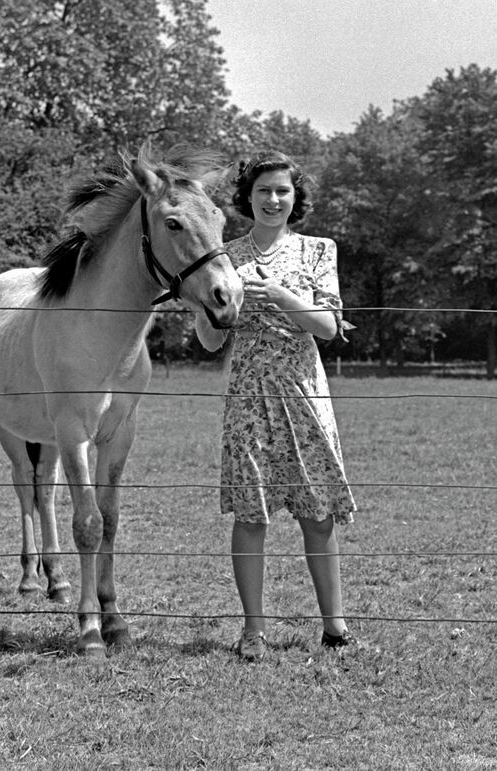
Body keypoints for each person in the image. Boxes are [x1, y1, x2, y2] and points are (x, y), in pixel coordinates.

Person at [196, 150, 357, 662]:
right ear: (247, 197)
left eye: (282, 190)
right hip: (248, 397)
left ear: (295, 197)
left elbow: (330, 329)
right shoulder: (223, 254)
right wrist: (209, 307)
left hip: (305, 395)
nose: (272, 199)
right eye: (263, 190)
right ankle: (253, 631)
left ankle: (334, 626)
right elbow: (207, 340)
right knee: (251, 515)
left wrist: (284, 297)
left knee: (318, 513)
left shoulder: (317, 250)